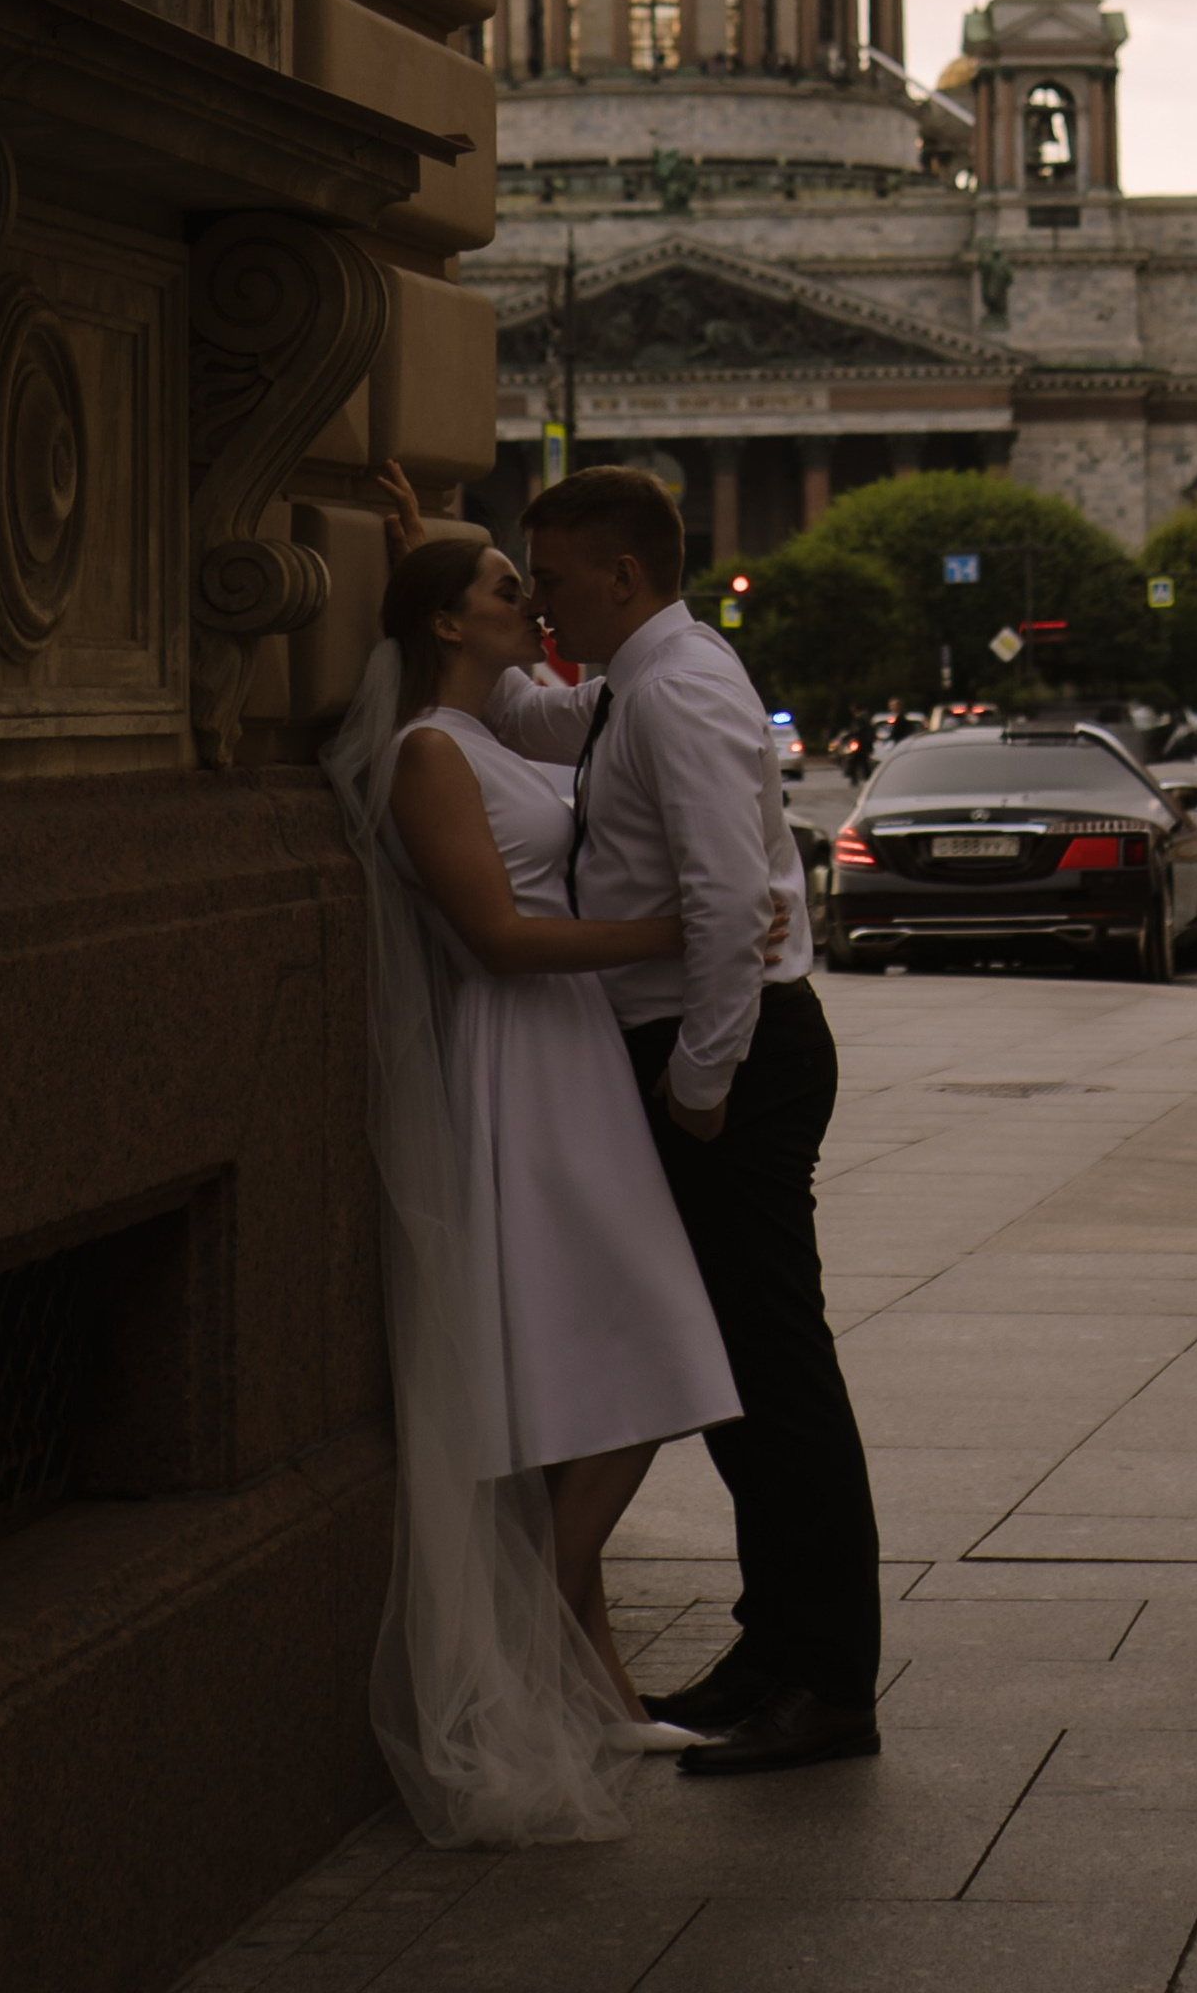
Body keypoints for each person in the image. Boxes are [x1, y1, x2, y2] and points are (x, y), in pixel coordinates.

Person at [322, 524, 745, 1845]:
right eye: (510, 590)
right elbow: (498, 939)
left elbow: (576, 701)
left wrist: (423, 530)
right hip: (521, 1059)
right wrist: (682, 928)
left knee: (590, 1374)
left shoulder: (500, 735)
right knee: (659, 1344)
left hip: (571, 1055)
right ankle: (545, 1601)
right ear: (449, 625)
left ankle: (597, 1680)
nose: (533, 603)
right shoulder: (426, 757)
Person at [498, 465, 885, 1779]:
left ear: (620, 575)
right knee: (733, 1385)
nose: (539, 602)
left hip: (734, 1058)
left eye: (548, 580)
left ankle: (827, 1680)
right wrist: (447, 588)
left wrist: (702, 1087)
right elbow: (532, 719)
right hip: (706, 1051)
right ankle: (772, 1653)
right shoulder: (629, 686)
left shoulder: (679, 686)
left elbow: (729, 902)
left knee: (774, 1377)